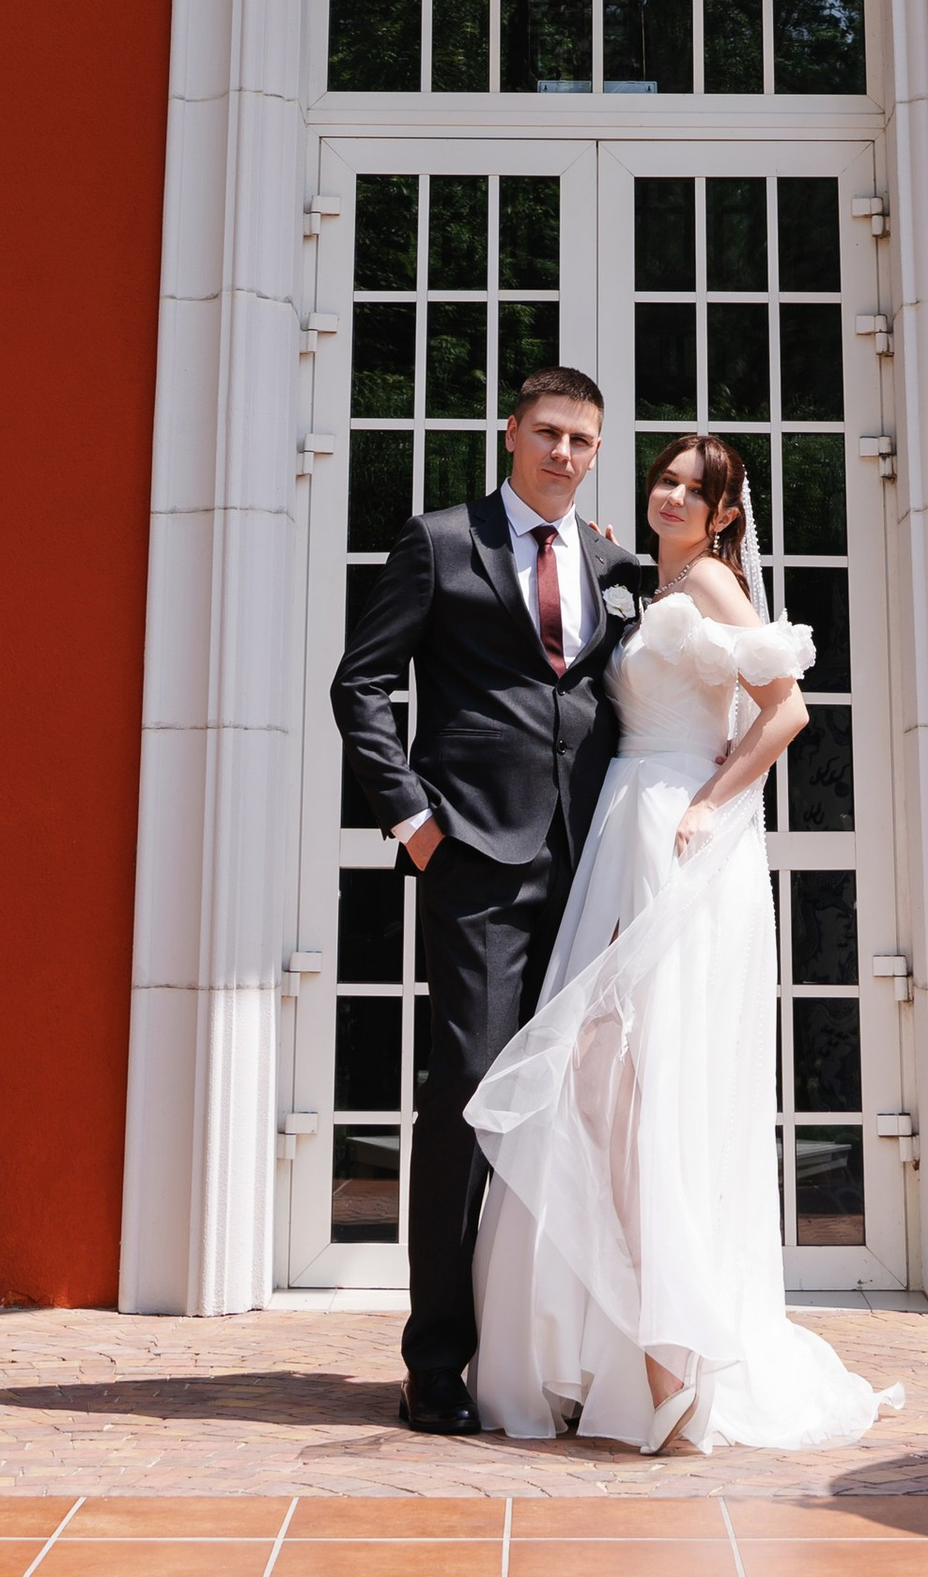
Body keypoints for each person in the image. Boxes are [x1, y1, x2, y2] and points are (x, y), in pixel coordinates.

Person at [466, 433, 899, 1453]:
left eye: (691, 490)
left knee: (629, 1075)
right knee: (606, 1077)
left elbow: (786, 711)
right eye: (664, 478)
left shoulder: (709, 582)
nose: (670, 496)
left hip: (674, 826)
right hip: (628, 820)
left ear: (723, 515)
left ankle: (669, 1349)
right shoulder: (656, 581)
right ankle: (635, 1338)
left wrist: (707, 801)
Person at [330, 366, 655, 1437]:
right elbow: (360, 683)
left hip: (589, 861)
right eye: (548, 431)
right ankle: (435, 1359)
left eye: (582, 439)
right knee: (468, 1090)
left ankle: (555, 1351)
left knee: (584, 1104)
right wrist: (412, 820)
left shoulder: (611, 563)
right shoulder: (439, 541)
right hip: (475, 859)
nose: (563, 451)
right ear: (511, 432)